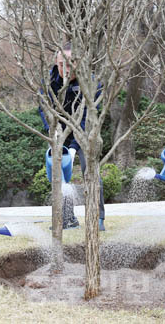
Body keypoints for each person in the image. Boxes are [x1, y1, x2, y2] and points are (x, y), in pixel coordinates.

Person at [39, 43, 105, 231]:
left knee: (90, 170)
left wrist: (76, 147)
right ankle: (67, 218)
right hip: (60, 131)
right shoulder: (49, 81)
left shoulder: (92, 83)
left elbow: (88, 118)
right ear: (56, 62)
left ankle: (97, 218)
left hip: (86, 132)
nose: (65, 69)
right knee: (58, 171)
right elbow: (43, 108)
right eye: (61, 64)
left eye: (70, 64)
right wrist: (53, 129)